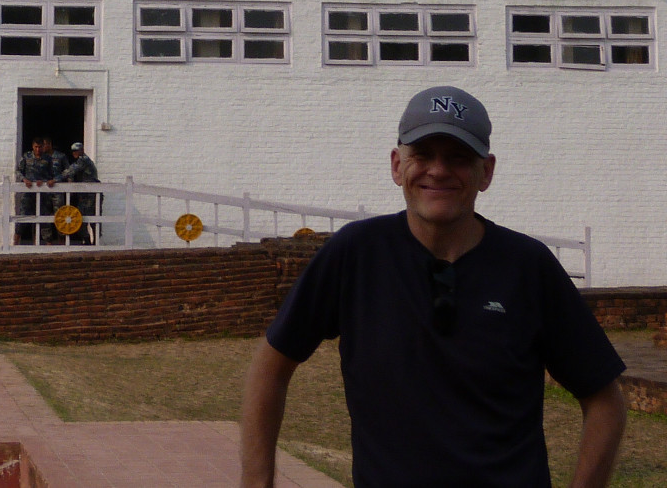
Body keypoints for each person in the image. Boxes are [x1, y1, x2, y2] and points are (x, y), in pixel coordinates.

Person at [239, 85, 627, 488]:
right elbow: (271, 367)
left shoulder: (527, 266)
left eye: (458, 158)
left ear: (487, 171)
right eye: (422, 155)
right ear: (396, 165)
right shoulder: (356, 254)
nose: (438, 170)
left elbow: (605, 401)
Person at [61, 140, 98, 245]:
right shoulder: (82, 160)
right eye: (73, 151)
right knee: (84, 217)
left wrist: (56, 179)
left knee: (86, 217)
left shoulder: (83, 160)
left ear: (82, 150)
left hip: (90, 193)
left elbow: (71, 171)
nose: (74, 153)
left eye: (77, 150)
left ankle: (92, 242)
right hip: (85, 193)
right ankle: (89, 241)